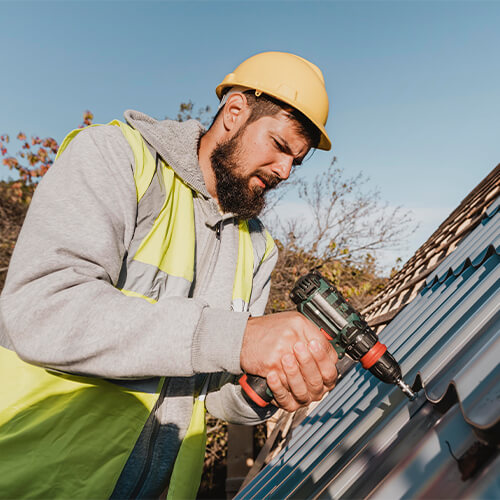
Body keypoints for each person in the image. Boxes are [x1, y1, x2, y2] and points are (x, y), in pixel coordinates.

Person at [0, 51, 338, 498]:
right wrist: (237, 339)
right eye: (279, 146)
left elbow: (215, 393)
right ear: (235, 112)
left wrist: (271, 383)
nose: (285, 171)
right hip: (31, 481)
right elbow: (42, 310)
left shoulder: (256, 246)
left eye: (297, 159)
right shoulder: (116, 158)